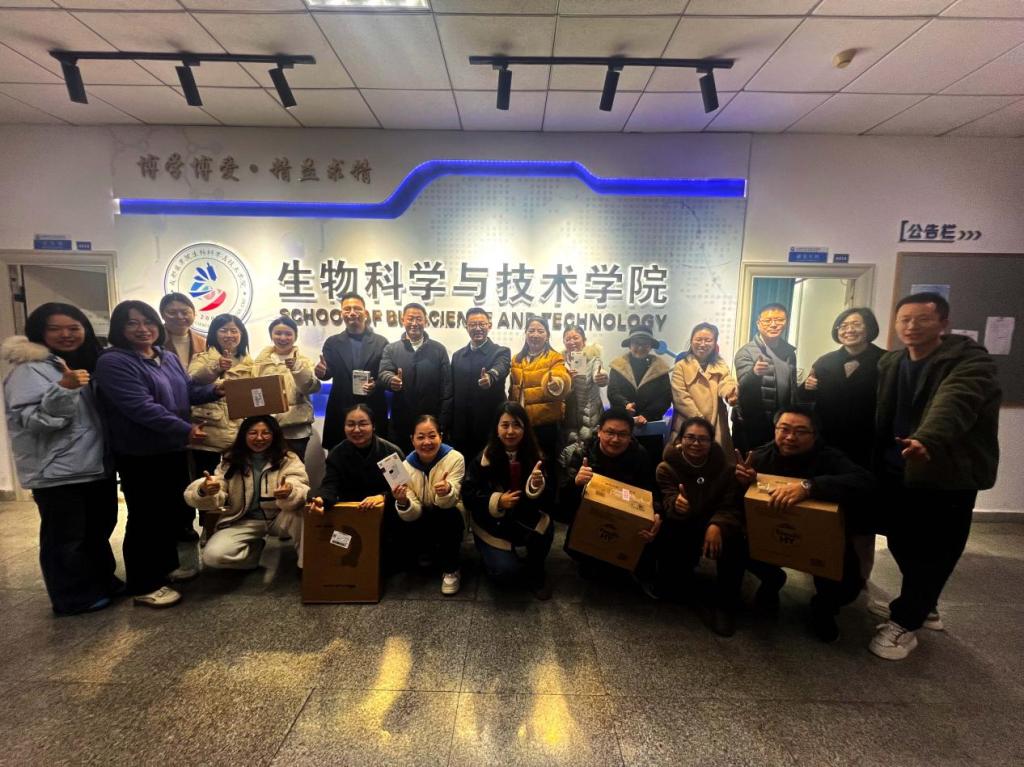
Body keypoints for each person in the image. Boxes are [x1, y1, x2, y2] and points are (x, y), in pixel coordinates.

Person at [868, 292, 1000, 661]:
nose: (911, 326)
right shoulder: (892, 362)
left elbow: (954, 402)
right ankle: (922, 604)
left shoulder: (969, 362)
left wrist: (928, 438)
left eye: (922, 319)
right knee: (900, 540)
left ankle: (906, 623)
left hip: (947, 474)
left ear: (943, 323)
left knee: (936, 550)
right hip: (897, 469)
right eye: (904, 319)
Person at [94, 300, 220, 608]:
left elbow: (187, 392)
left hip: (172, 449)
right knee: (146, 516)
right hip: (140, 452)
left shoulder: (166, 357)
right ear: (119, 328)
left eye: (147, 322)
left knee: (170, 512)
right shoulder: (114, 362)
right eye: (132, 323)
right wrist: (185, 429)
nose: (143, 329)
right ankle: (144, 583)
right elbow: (140, 407)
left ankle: (164, 569)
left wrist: (215, 391)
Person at [2, 303, 119, 615]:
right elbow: (33, 421)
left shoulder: (82, 363)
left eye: (73, 327)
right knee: (65, 538)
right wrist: (64, 390)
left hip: (94, 464)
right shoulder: (28, 370)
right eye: (55, 328)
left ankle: (102, 581)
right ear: (39, 331)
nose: (66, 334)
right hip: (57, 470)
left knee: (98, 530)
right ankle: (72, 596)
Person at [734, 405, 874, 643]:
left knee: (848, 584)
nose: (790, 437)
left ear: (815, 434)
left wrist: (809, 487)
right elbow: (739, 504)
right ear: (775, 429)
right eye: (784, 429)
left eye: (800, 432)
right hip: (774, 534)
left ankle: (823, 607)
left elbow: (866, 482)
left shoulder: (830, 458)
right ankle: (772, 580)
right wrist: (743, 484)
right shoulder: (758, 457)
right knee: (731, 540)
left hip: (819, 540)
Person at [800, 308, 885, 584]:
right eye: (843, 325)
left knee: (861, 517)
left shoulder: (885, 362)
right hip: (828, 449)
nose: (849, 330)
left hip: (866, 450)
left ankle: (860, 579)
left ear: (869, 328)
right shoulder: (825, 362)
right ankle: (820, 568)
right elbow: (805, 402)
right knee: (825, 510)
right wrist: (806, 388)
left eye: (856, 324)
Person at [655, 417, 745, 636]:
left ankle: (725, 605)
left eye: (703, 439)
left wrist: (716, 525)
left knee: (736, 540)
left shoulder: (727, 469)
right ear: (680, 440)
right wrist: (677, 505)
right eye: (690, 437)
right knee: (667, 533)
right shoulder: (666, 468)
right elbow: (667, 499)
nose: (696, 443)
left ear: (711, 442)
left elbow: (731, 506)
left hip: (716, 526)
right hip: (685, 524)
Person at [184, 415, 308, 571]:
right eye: (253, 433)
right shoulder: (231, 459)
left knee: (302, 512)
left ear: (275, 435)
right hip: (242, 519)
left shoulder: (288, 458)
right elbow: (219, 485)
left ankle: (306, 566)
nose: (259, 438)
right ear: (243, 435)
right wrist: (204, 490)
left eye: (266, 433)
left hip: (279, 517)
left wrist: (290, 491)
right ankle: (253, 553)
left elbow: (298, 482)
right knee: (212, 557)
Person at [462, 402, 554, 599]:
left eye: (517, 425)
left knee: (545, 526)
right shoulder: (482, 459)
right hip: (492, 526)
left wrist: (536, 487)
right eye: (504, 425)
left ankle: (535, 568)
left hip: (524, 520)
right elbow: (468, 495)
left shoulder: (537, 457)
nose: (510, 431)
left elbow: (551, 501)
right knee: (505, 574)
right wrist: (497, 501)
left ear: (525, 428)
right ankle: (494, 559)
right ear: (496, 428)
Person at [559, 407, 661, 578]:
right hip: (590, 519)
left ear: (630, 436)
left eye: (622, 434)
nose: (615, 439)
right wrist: (576, 483)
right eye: (610, 432)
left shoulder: (639, 455)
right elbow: (562, 501)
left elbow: (651, 491)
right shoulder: (582, 453)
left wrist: (656, 513)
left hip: (625, 522)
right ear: (599, 431)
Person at [307, 404, 406, 573]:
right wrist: (321, 500)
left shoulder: (390, 452)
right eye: (350, 424)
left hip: (385, 513)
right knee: (346, 560)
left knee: (388, 562)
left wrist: (382, 497)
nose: (357, 429)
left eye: (363, 424)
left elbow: (403, 489)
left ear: (373, 426)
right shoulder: (337, 454)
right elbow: (330, 485)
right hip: (352, 514)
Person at [391, 415, 466, 595]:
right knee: (399, 512)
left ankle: (451, 569)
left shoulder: (455, 458)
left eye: (432, 436)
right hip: (422, 514)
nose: (427, 442)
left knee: (449, 514)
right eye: (420, 437)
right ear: (412, 439)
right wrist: (403, 501)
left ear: (441, 436)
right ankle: (426, 552)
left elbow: (452, 500)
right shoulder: (403, 467)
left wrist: (446, 490)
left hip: (448, 513)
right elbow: (414, 512)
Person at [315, 293, 389, 450]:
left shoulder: (381, 342)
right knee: (340, 457)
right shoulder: (333, 342)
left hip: (373, 406)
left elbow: (386, 374)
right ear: (341, 313)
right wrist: (322, 372)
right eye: (347, 309)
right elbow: (328, 372)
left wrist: (375, 385)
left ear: (365, 313)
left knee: (377, 456)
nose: (352, 313)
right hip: (341, 407)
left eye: (357, 308)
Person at [378, 303, 453, 453]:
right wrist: (391, 380)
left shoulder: (438, 350)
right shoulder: (391, 349)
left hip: (430, 424)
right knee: (400, 463)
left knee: (430, 463)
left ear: (426, 321)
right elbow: (384, 372)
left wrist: (442, 422)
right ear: (402, 320)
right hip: (400, 422)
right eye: (410, 318)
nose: (414, 323)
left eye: (419, 319)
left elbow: (447, 389)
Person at [187, 313, 254, 479]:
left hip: (239, 437)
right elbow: (193, 381)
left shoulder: (252, 364)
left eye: (234, 331)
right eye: (224, 330)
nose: (229, 335)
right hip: (208, 436)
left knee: (236, 484)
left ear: (242, 334)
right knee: (206, 484)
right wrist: (216, 366)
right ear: (214, 334)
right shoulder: (202, 358)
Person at [246, 316, 320, 461]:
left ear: (295, 336)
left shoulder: (304, 361)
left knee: (295, 469)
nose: (283, 338)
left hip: (296, 429)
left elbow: (308, 388)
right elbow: (253, 392)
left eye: (288, 334)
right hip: (266, 428)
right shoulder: (259, 362)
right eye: (278, 333)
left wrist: (297, 369)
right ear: (271, 335)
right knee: (267, 468)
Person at [732, 303, 797, 453]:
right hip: (752, 425)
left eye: (779, 320)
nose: (773, 324)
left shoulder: (789, 353)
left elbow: (791, 389)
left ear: (786, 322)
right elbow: (743, 388)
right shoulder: (746, 352)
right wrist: (754, 373)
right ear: (758, 324)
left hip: (781, 423)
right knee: (752, 464)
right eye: (768, 321)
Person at [449, 308, 511, 463]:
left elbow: (501, 367)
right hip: (461, 430)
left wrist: (490, 376)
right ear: (466, 327)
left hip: (489, 428)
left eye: (482, 324)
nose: (477, 328)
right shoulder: (457, 356)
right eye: (473, 324)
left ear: (489, 325)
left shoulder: (501, 352)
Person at [509, 316, 572, 464]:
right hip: (520, 423)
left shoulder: (555, 357)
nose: (535, 335)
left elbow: (560, 374)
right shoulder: (516, 359)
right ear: (525, 333)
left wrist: (557, 382)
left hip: (546, 424)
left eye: (540, 331)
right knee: (522, 464)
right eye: (531, 331)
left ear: (547, 335)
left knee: (546, 465)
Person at [670, 322, 739, 454]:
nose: (702, 344)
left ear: (715, 343)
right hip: (688, 425)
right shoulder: (681, 366)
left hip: (716, 425)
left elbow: (726, 382)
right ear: (691, 341)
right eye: (698, 339)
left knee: (716, 461)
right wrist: (701, 422)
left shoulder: (720, 364)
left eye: (708, 340)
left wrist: (730, 393)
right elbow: (681, 398)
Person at [607, 325, 672, 460]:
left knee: (649, 464)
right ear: (630, 345)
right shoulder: (617, 367)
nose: (640, 347)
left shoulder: (661, 369)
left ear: (650, 346)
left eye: (645, 344)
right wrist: (625, 404)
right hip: (622, 426)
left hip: (651, 427)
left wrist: (646, 415)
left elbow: (665, 398)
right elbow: (612, 392)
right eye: (636, 343)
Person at [561, 324, 608, 446]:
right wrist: (566, 380)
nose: (572, 342)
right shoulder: (559, 362)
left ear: (584, 340)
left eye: (575, 338)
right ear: (564, 342)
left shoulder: (593, 359)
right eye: (568, 339)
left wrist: (601, 376)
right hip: (566, 419)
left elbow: (598, 372)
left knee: (589, 448)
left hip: (590, 416)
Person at [159, 292, 206, 366]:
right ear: (162, 315)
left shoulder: (202, 342)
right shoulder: (154, 341)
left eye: (185, 312)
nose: (179, 317)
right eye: (172, 313)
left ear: (194, 314)